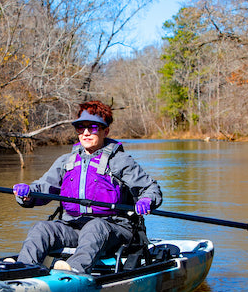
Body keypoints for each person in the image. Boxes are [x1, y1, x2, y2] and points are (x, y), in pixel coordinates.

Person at [9, 100, 162, 273]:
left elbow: (151, 189)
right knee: (42, 228)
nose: (86, 133)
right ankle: (22, 271)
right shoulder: (66, 161)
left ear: (106, 131)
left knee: (94, 226)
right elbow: (42, 189)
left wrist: (147, 200)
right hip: (74, 227)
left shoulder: (120, 161)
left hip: (114, 229)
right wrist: (27, 194)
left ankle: (72, 273)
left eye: (94, 128)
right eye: (81, 128)